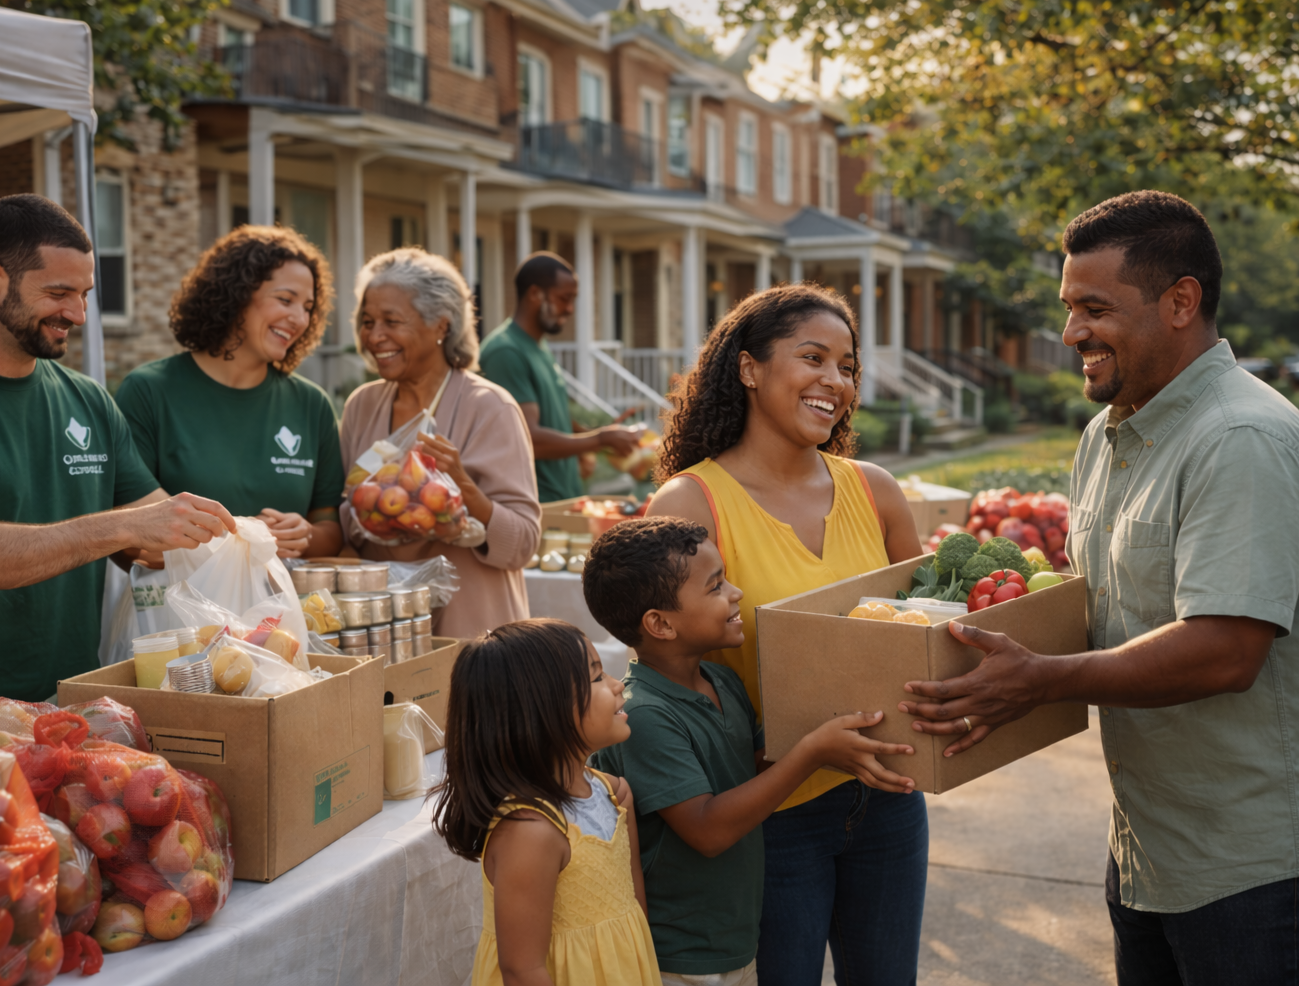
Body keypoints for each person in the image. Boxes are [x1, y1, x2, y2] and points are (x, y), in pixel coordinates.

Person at [900, 190, 1299, 982]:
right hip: (1154, 847)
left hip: (1267, 866)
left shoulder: (1241, 440)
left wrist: (1038, 683)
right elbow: (1104, 603)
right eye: (1068, 308)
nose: (1072, 334)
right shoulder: (1110, 434)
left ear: (1180, 302)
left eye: (1095, 308)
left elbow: (1223, 651)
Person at [644, 284, 928, 985]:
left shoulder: (876, 491)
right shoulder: (690, 501)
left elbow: (928, 633)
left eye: (847, 366)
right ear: (748, 368)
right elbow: (664, 670)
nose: (835, 380)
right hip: (770, 811)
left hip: (890, 797)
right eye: (813, 357)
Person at [0, 194, 235, 711]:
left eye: (85, 294)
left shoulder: (89, 400)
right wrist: (121, 528)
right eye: (58, 293)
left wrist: (237, 538)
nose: (76, 313)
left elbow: (155, 537)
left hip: (73, 708)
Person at [582, 517, 914, 986]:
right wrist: (812, 752)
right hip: (679, 953)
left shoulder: (722, 681)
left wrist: (826, 732)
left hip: (734, 940)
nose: (736, 593)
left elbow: (752, 770)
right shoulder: (645, 716)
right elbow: (706, 830)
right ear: (659, 623)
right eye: (716, 586)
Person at [433, 618, 662, 986]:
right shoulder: (532, 831)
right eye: (598, 676)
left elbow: (633, 909)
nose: (618, 685)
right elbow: (523, 970)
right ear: (543, 709)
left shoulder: (615, 794)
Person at [339, 248, 540, 638]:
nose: (374, 336)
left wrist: (464, 492)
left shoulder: (490, 408)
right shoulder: (361, 406)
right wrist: (379, 518)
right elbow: (346, 514)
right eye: (367, 321)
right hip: (386, 629)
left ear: (441, 326)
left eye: (391, 321)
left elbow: (524, 542)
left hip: (474, 633)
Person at [116, 226, 344, 559]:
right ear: (236, 295)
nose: (299, 318)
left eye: (308, 307)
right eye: (285, 299)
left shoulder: (312, 405)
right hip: (177, 609)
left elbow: (330, 528)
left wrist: (305, 535)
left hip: (280, 610)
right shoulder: (148, 392)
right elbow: (123, 537)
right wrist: (231, 544)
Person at [478, 251, 641, 503]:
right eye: (564, 298)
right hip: (534, 505)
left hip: (564, 497)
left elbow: (556, 417)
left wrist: (602, 437)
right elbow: (529, 438)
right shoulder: (505, 351)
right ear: (535, 294)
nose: (570, 309)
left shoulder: (538, 346)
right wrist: (597, 440)